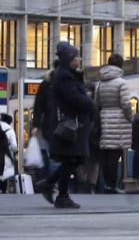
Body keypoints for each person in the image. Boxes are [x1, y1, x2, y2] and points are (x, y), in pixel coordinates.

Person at [38, 42, 97, 208]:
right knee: (71, 160)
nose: (79, 59)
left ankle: (50, 185)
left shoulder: (68, 74)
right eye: (76, 56)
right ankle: (61, 195)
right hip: (72, 125)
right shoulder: (64, 76)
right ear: (69, 59)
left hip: (75, 125)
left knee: (74, 160)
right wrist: (90, 103)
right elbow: (73, 98)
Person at [96, 53, 133, 194]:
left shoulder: (100, 83)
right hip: (119, 121)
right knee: (115, 153)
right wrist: (131, 117)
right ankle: (112, 185)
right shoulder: (121, 83)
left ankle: (107, 184)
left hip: (104, 118)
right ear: (120, 66)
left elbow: (96, 103)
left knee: (106, 154)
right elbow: (125, 104)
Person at [31, 61, 59, 183]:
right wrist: (36, 125)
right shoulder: (46, 84)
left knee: (56, 156)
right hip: (50, 125)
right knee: (52, 156)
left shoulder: (70, 82)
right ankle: (52, 182)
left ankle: (53, 182)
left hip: (66, 125)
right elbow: (38, 105)